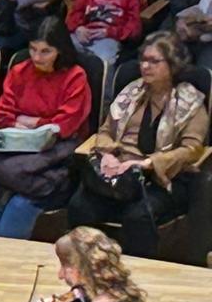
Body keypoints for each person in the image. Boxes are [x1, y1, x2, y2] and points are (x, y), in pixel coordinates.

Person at [66, 31, 210, 257]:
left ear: (173, 65)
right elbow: (105, 132)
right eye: (143, 59)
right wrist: (108, 154)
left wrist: (149, 163)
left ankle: (136, 274)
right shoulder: (131, 92)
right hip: (120, 174)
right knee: (79, 206)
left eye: (154, 61)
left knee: (138, 217)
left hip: (162, 179)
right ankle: (85, 267)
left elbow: (191, 150)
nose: (145, 66)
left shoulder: (191, 102)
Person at [0, 17, 93, 239]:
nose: (36, 57)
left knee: (18, 207)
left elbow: (64, 125)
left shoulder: (75, 76)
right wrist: (39, 124)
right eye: (33, 49)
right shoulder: (20, 71)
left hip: (51, 160)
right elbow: (1, 114)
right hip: (12, 154)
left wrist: (29, 122)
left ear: (60, 50)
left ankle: (2, 257)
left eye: (45, 52)